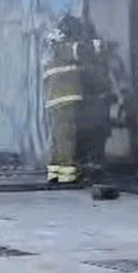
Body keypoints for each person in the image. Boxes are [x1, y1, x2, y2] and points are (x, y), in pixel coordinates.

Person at [42, 14, 112, 184]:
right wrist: (99, 45)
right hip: (66, 98)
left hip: (54, 100)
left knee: (57, 136)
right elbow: (82, 50)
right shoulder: (64, 47)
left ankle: (55, 170)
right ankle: (68, 173)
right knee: (68, 136)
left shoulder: (51, 49)